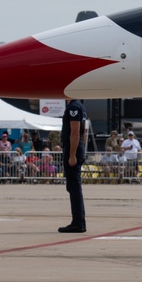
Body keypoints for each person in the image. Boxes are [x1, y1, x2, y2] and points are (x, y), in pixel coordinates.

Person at [59, 97, 87, 233]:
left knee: (74, 187)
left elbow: (75, 132)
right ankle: (78, 221)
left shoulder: (73, 107)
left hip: (72, 149)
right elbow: (83, 132)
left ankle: (78, 222)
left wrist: (72, 155)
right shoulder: (79, 106)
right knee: (73, 187)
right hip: (75, 148)